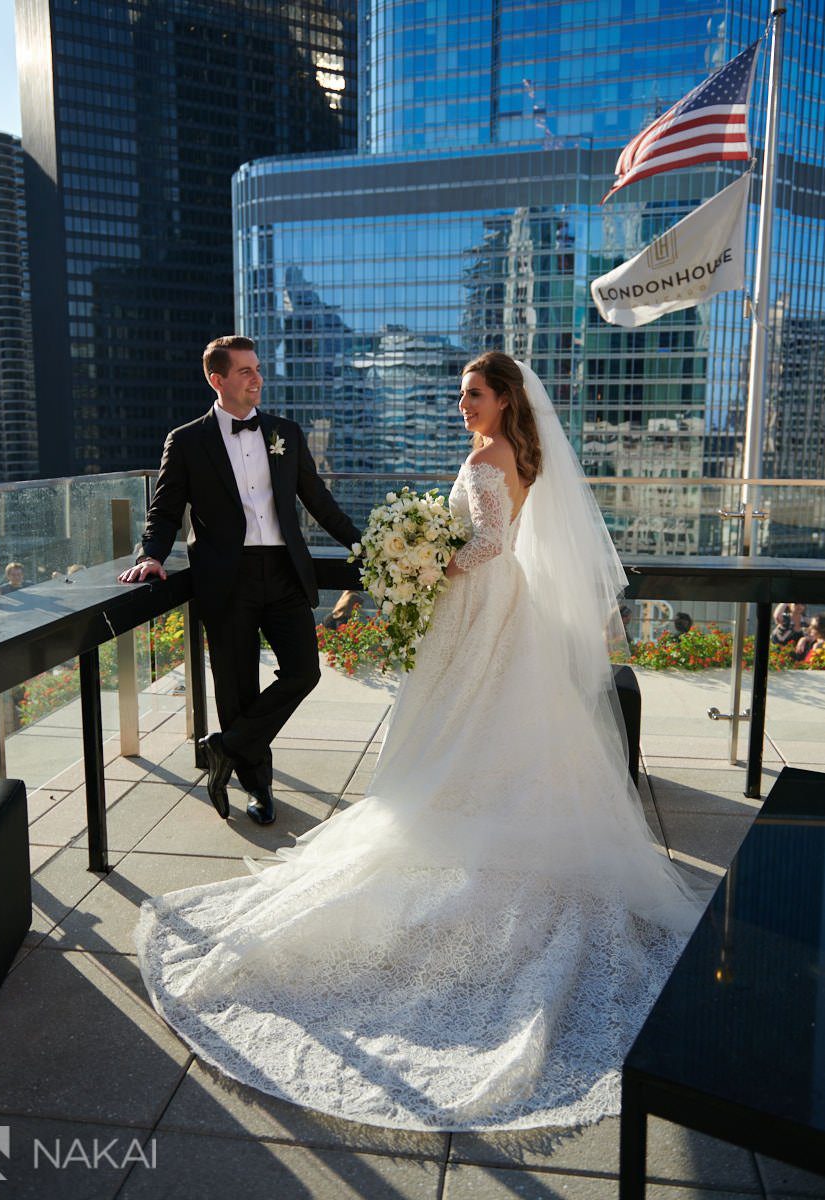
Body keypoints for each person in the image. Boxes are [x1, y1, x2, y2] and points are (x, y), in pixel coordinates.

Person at [135, 353, 701, 1132]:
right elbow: (171, 508)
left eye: (473, 393)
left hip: (480, 603)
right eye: (460, 394)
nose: (461, 403)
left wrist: (427, 562)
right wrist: (402, 555)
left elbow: (488, 544)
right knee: (477, 725)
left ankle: (430, 820)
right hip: (465, 602)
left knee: (465, 720)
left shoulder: (487, 455)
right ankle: (252, 759)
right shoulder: (510, 452)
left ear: (504, 399)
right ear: (218, 380)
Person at [119, 335, 361, 825]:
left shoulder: (286, 433)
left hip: (286, 573)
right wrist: (150, 555)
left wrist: (363, 546)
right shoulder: (186, 441)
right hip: (226, 580)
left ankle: (225, 747)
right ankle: (258, 787)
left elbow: (319, 501)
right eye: (246, 371)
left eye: (257, 369)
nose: (258, 378)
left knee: (303, 672)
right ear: (218, 379)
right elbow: (164, 511)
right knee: (236, 689)